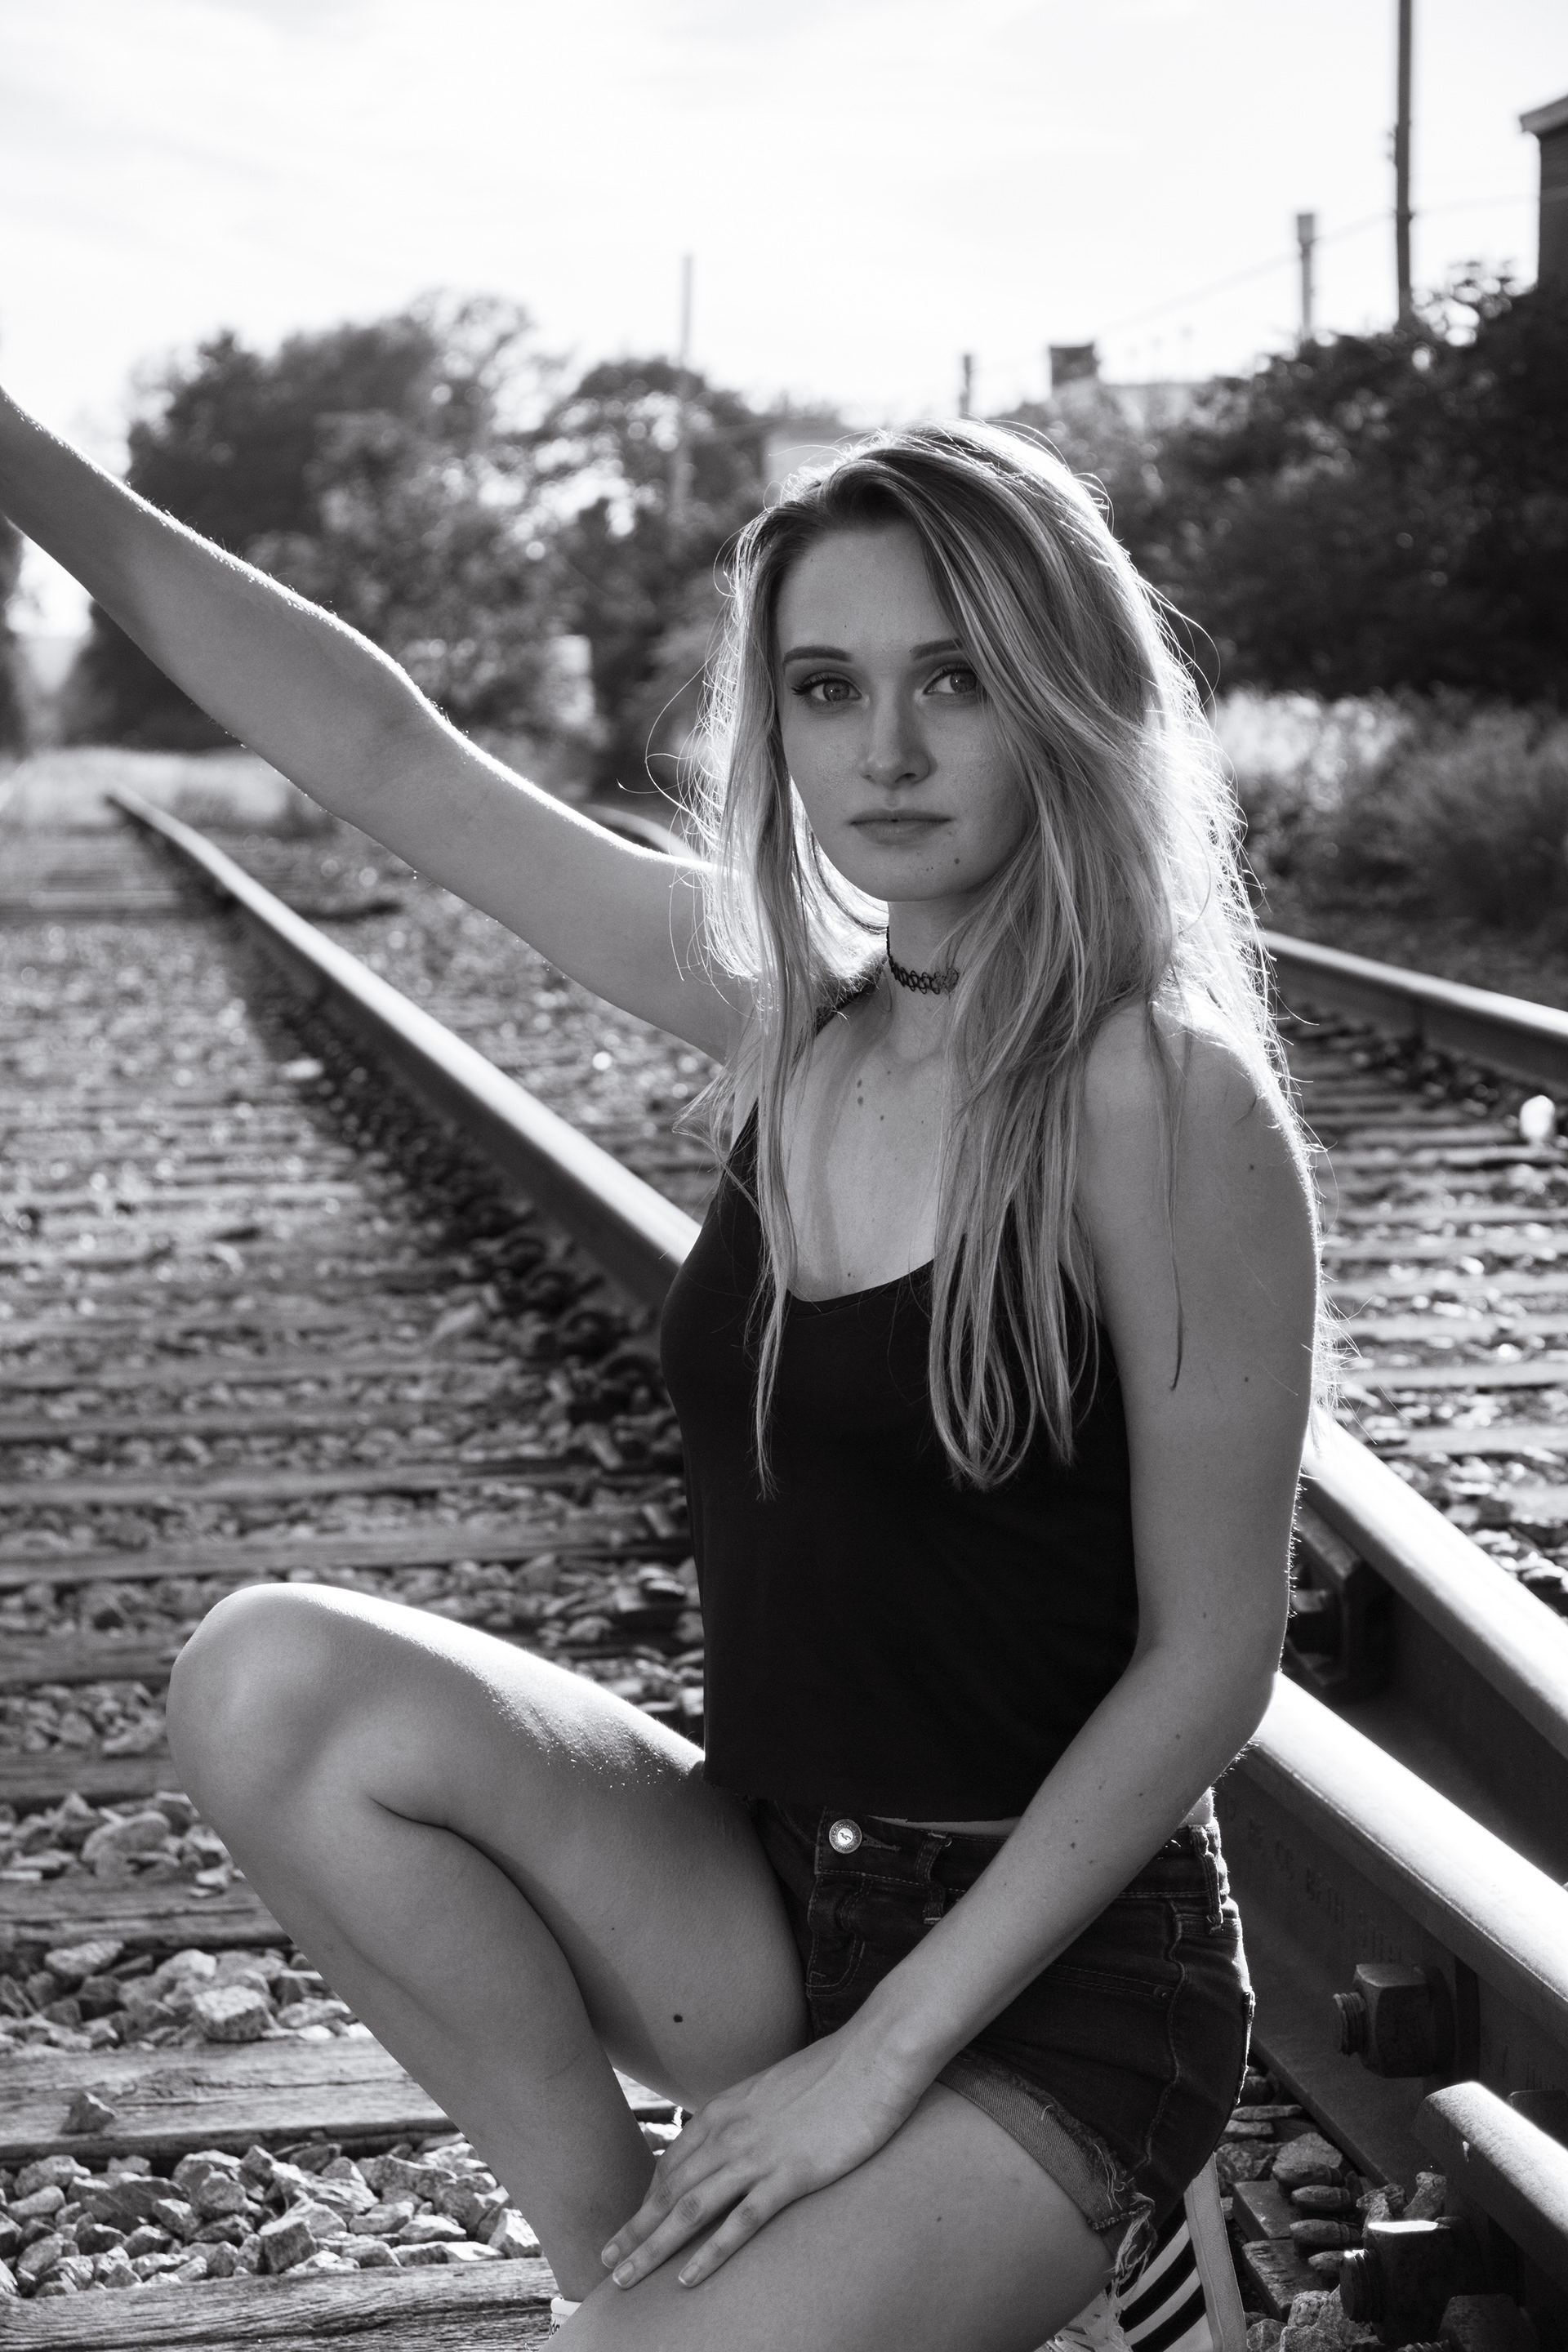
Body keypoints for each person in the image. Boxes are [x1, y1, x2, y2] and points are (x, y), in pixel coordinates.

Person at [0, 399, 1320, 2351]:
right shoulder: (794, 1025)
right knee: (266, 1680)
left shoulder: (1162, 1099)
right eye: (826, 686)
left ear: (1067, 697)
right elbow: (391, 758)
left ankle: (1069, 2232)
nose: (885, 749)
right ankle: (619, 2275)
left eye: (956, 678)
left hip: (1061, 1987)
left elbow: (1213, 1665)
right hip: (763, 1896)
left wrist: (878, 2067)